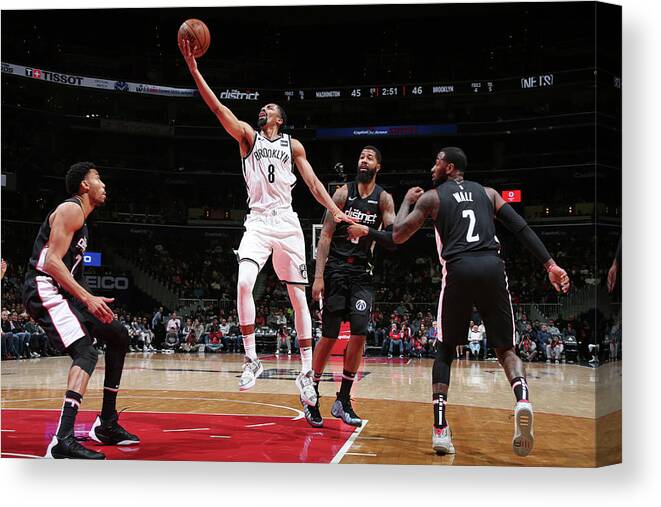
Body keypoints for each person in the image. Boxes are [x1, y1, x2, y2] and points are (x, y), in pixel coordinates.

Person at [180, 38, 354, 405]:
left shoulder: (293, 145)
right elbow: (217, 108)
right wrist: (195, 70)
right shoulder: (247, 137)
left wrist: (335, 211)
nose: (263, 110)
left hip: (288, 222)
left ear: (280, 119)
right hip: (257, 221)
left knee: (299, 299)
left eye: (269, 108)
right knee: (244, 283)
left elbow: (312, 182)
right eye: (261, 108)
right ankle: (251, 359)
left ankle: (307, 374)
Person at [392, 147, 570, 456]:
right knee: (506, 350)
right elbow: (520, 227)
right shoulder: (488, 194)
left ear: (449, 167)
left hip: (459, 270)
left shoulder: (432, 198)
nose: (432, 166)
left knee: (445, 351)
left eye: (437, 161)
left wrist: (406, 202)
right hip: (491, 266)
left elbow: (397, 235)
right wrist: (550, 265)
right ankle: (523, 400)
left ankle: (440, 430)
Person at [21, 162, 139, 459]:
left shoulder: (83, 221)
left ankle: (107, 424)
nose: (103, 185)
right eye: (98, 179)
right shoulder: (71, 209)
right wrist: (87, 299)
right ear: (84, 185)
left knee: (118, 335)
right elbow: (51, 263)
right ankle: (62, 439)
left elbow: (70, 270)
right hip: (44, 288)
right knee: (86, 353)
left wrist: (88, 298)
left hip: (64, 290)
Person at [306, 146, 396, 427]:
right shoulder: (344, 193)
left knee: (359, 333)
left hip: (362, 273)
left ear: (378, 166)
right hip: (336, 270)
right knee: (330, 335)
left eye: (369, 158)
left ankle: (343, 400)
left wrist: (367, 230)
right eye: (360, 157)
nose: (363, 160)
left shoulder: (384, 199)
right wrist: (318, 277)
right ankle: (312, 395)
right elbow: (326, 237)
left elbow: (392, 237)